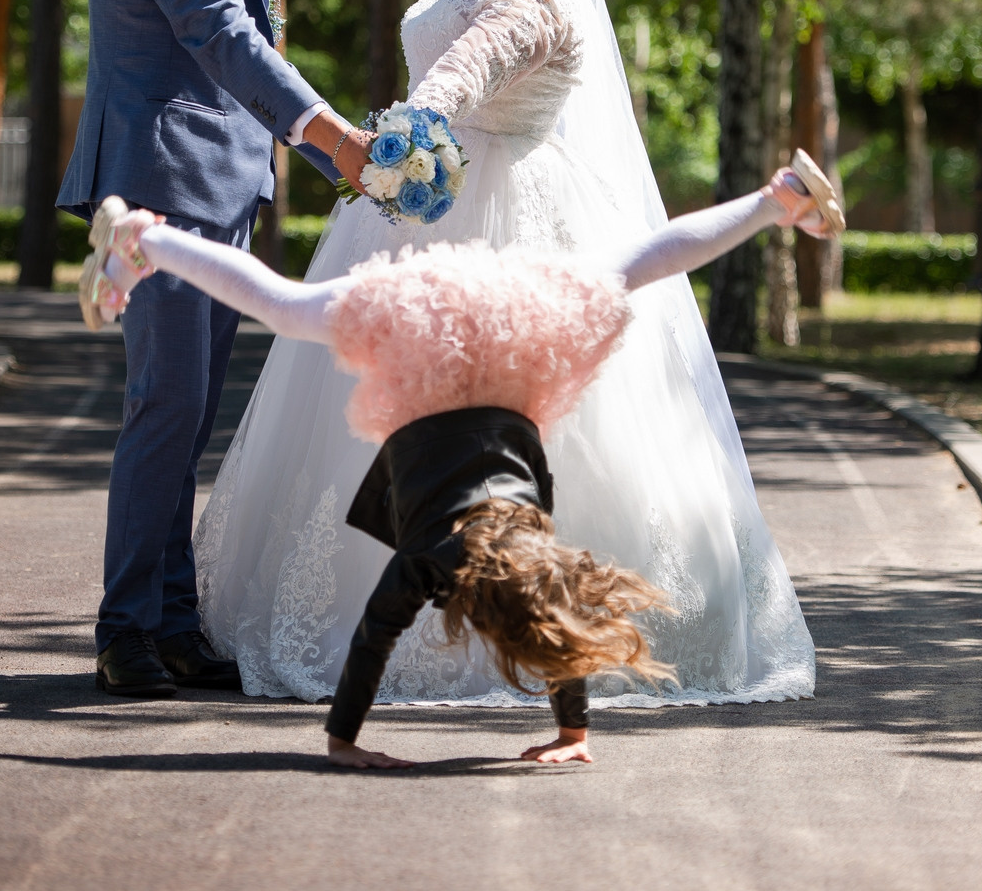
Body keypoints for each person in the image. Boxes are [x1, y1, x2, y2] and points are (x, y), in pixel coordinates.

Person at [191, 0, 819, 714]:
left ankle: (518, 625)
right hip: (443, 202)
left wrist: (410, 131)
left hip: (505, 215)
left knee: (505, 413)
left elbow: (468, 68)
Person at [75, 152, 841, 766]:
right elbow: (375, 640)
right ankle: (144, 241)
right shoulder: (431, 560)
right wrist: (344, 742)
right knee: (290, 308)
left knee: (632, 266)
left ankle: (777, 197)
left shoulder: (538, 544)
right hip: (437, 346)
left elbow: (557, 611)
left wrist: (575, 732)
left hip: (509, 327)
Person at [55, 0, 374, 699]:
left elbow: (243, 51)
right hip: (160, 201)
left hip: (218, 198)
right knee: (164, 409)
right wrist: (335, 140)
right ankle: (124, 631)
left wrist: (318, 156)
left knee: (188, 416)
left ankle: (172, 623)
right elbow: (225, 40)